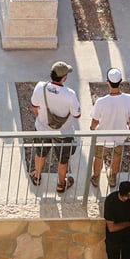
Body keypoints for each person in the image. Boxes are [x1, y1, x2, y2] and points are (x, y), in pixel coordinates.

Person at [30, 61, 81, 192]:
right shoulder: (70, 94)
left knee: (40, 152)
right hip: (64, 133)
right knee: (63, 159)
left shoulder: (40, 86)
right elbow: (77, 115)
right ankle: (61, 184)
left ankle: (37, 176)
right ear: (64, 78)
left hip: (42, 128)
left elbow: (34, 107)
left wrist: (42, 118)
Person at [89, 69, 130, 188]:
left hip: (102, 138)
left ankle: (96, 178)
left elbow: (94, 122)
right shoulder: (129, 99)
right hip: (119, 137)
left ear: (107, 82)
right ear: (120, 81)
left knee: (98, 158)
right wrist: (129, 129)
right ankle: (112, 178)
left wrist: (92, 129)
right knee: (117, 158)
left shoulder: (101, 102)